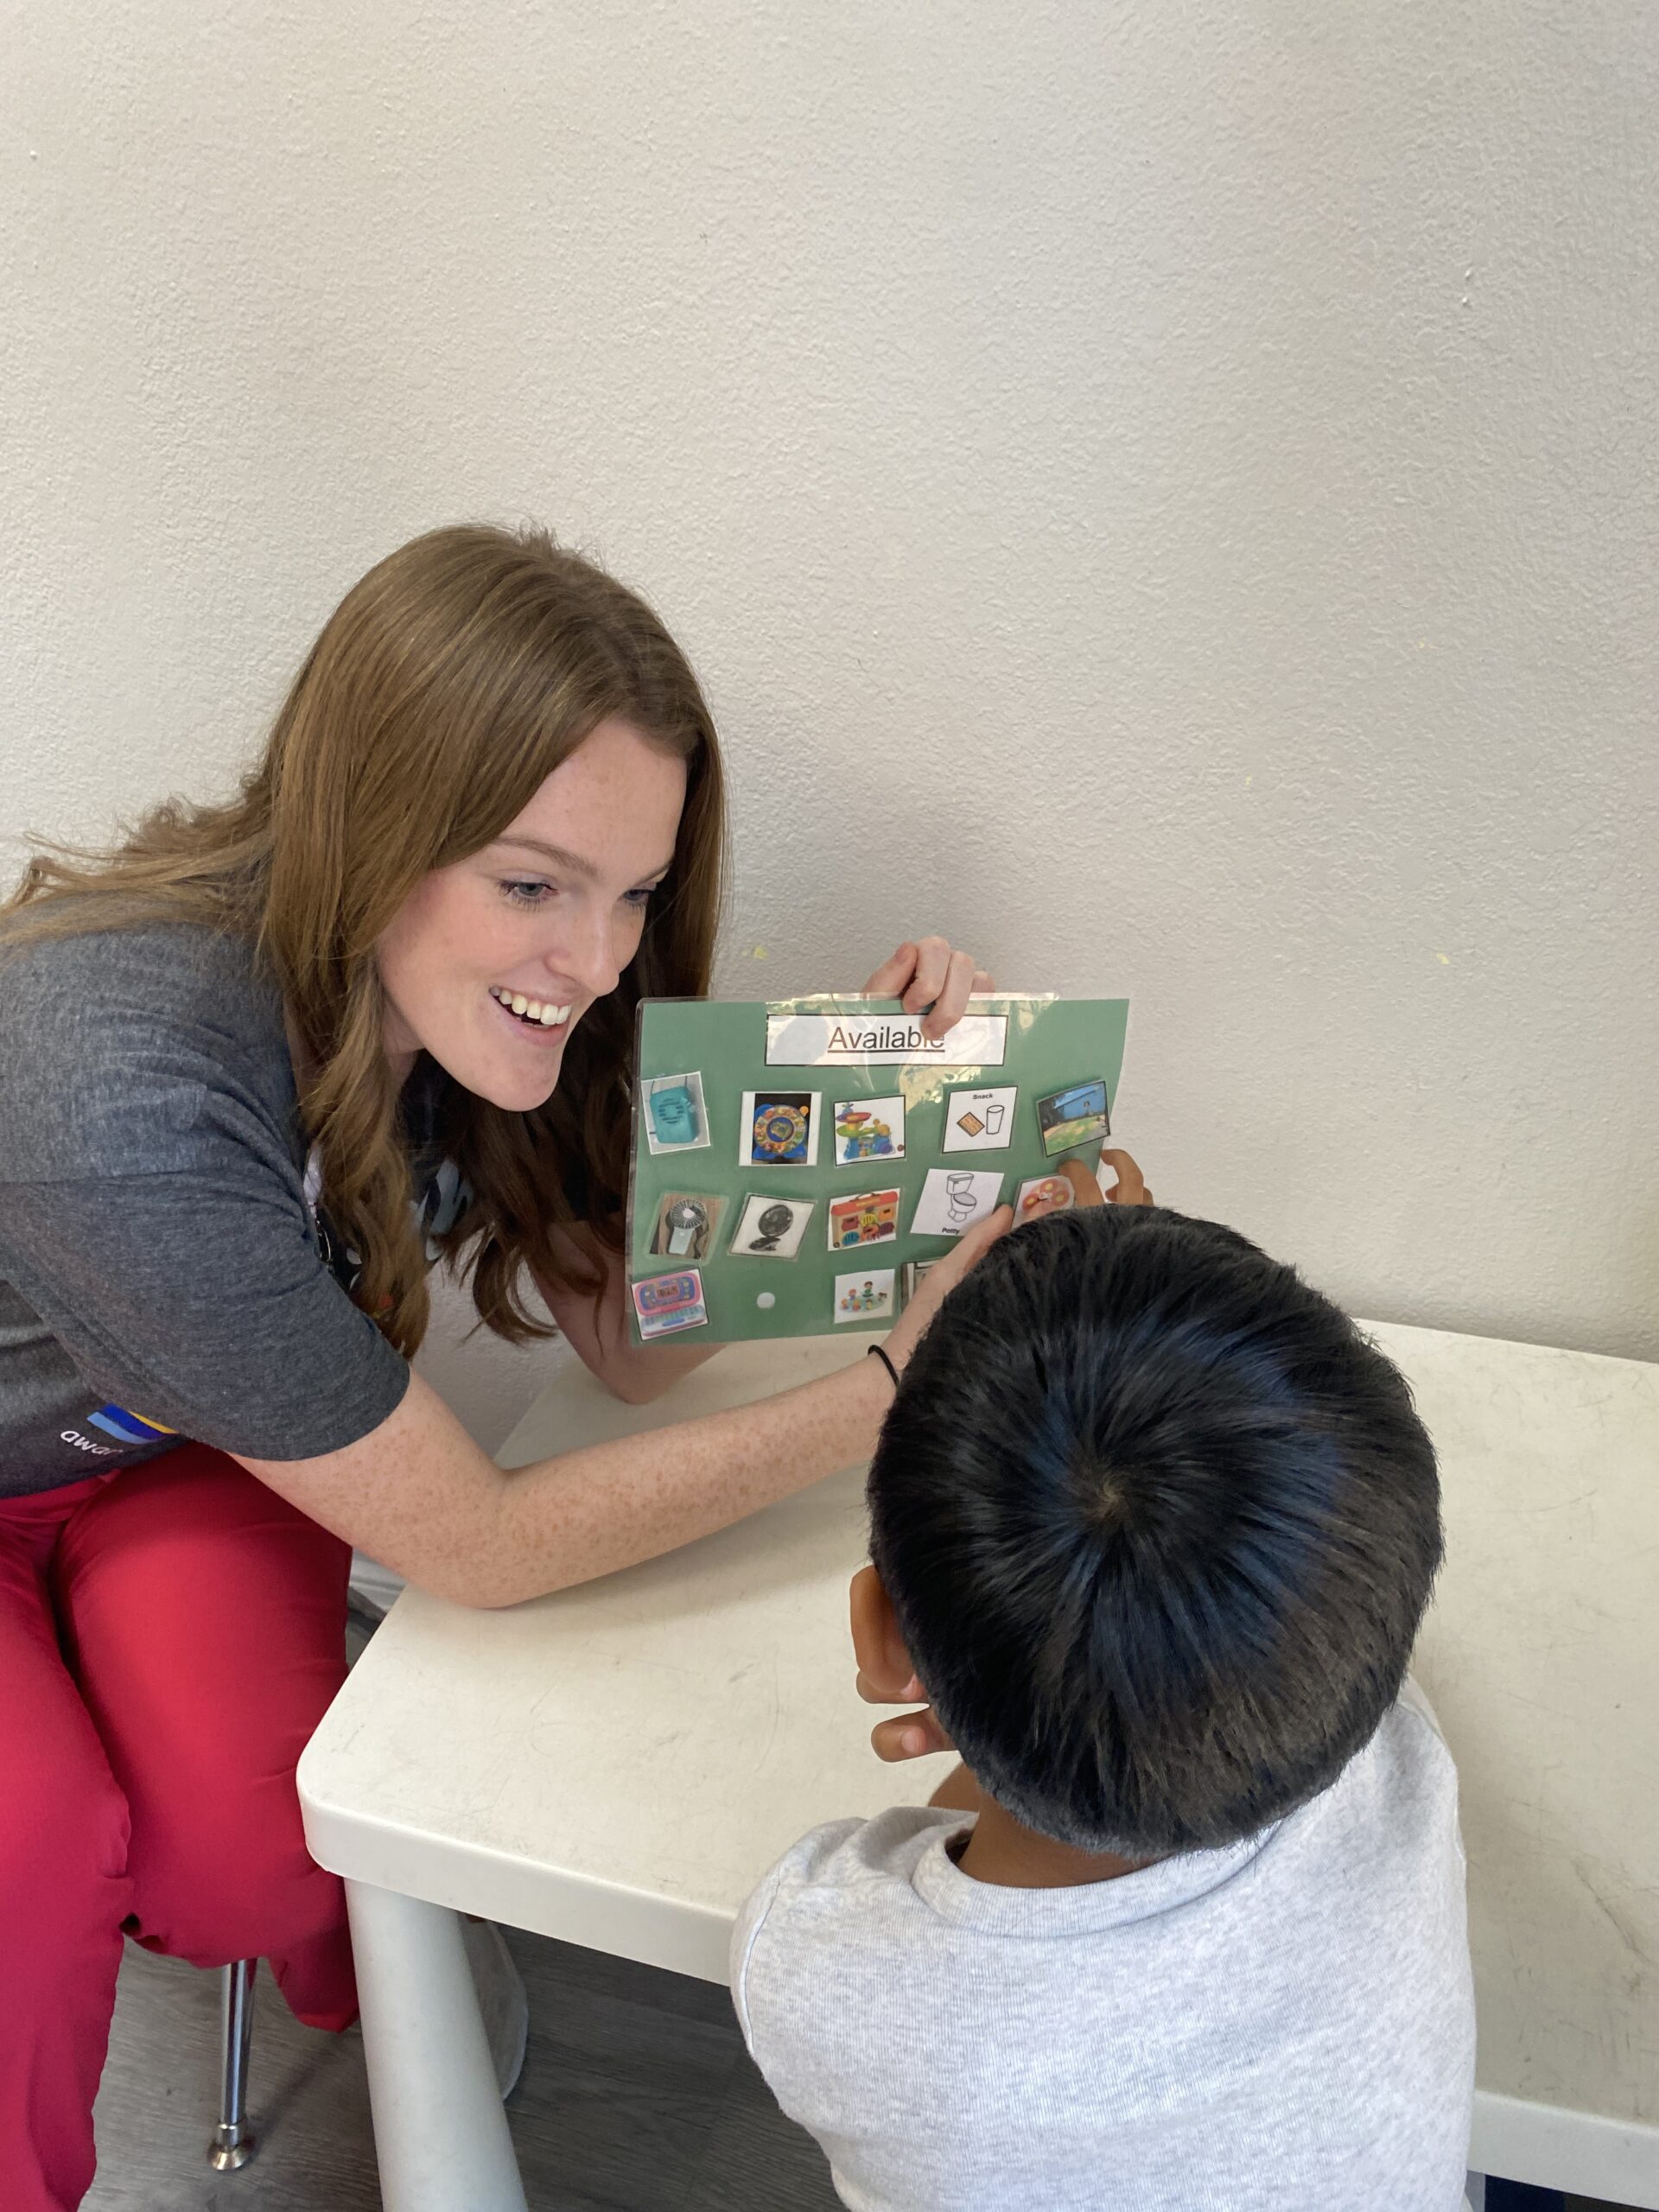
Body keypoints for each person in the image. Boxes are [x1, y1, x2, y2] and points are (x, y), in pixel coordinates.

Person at [0, 521, 1001, 2212]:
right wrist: (900, 1375)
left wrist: (849, 1107)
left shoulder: (468, 1008)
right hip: (95, 1436)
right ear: (370, 831)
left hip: (181, 1451)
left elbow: (630, 1344)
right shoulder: (128, 1086)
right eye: (534, 883)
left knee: (263, 1856)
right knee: (30, 1851)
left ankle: (374, 1979)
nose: (597, 958)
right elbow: (478, 1540)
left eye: (632, 891)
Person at [731, 1175, 1477, 2211]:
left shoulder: (820, 1973)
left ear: (880, 1634)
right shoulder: (1396, 1763)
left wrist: (988, 1719)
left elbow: (908, 1874)